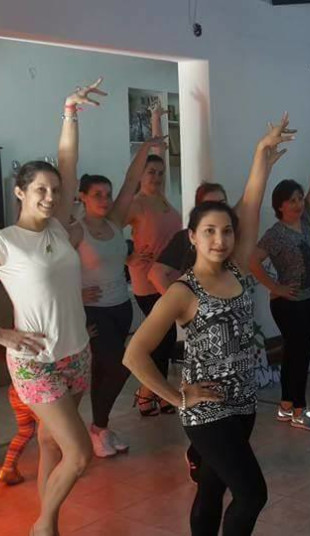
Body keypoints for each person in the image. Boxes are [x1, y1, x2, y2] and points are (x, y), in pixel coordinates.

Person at [123, 113, 293, 536]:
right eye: (210, 232)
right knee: (252, 494)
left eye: (227, 232)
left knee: (212, 489)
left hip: (243, 401)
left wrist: (261, 153)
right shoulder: (184, 290)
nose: (220, 240)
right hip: (206, 410)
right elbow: (134, 354)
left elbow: (251, 203)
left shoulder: (237, 270)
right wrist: (177, 396)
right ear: (193, 237)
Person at [0, 78, 106, 536]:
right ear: (20, 192)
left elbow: (68, 160)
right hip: (35, 362)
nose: (50, 197)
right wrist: (2, 334)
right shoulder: (6, 242)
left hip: (77, 353)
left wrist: (70, 111)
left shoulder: (59, 228)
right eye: (40, 189)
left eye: (56, 191)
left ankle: (51, 525)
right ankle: (42, 527)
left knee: (50, 443)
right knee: (79, 455)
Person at [75, 137, 166, 458]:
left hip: (121, 308)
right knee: (120, 365)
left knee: (105, 369)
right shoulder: (76, 231)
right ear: (82, 197)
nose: (105, 199)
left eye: (108, 194)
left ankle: (100, 429)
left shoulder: (114, 222)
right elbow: (54, 269)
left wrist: (146, 147)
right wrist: (75, 293)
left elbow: (131, 181)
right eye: (97, 194)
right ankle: (98, 427)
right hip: (94, 311)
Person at [249, 128, 310, 432]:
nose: (299, 203)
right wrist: (275, 287)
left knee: (294, 353)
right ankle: (299, 410)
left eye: (300, 198)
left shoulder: (306, 220)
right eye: (292, 200)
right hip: (289, 304)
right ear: (279, 205)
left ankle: (287, 406)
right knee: (300, 355)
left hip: (309, 297)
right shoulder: (276, 234)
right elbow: (252, 261)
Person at [125, 101, 183, 416]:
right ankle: (150, 394)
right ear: (140, 174)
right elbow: (107, 232)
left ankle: (151, 394)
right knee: (162, 338)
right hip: (147, 281)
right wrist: (129, 256)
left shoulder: (160, 197)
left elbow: (158, 151)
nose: (157, 176)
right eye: (151, 172)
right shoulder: (136, 203)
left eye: (160, 172)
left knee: (164, 338)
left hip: (168, 277)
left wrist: (156, 119)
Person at [149, 182, 229, 295]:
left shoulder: (235, 234)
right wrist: (177, 302)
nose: (217, 210)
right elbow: (156, 273)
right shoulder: (185, 237)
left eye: (222, 204)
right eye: (209, 206)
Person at [0, 385, 37, 485]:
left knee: (24, 432)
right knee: (51, 431)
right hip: (36, 394)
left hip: (16, 392)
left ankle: (8, 467)